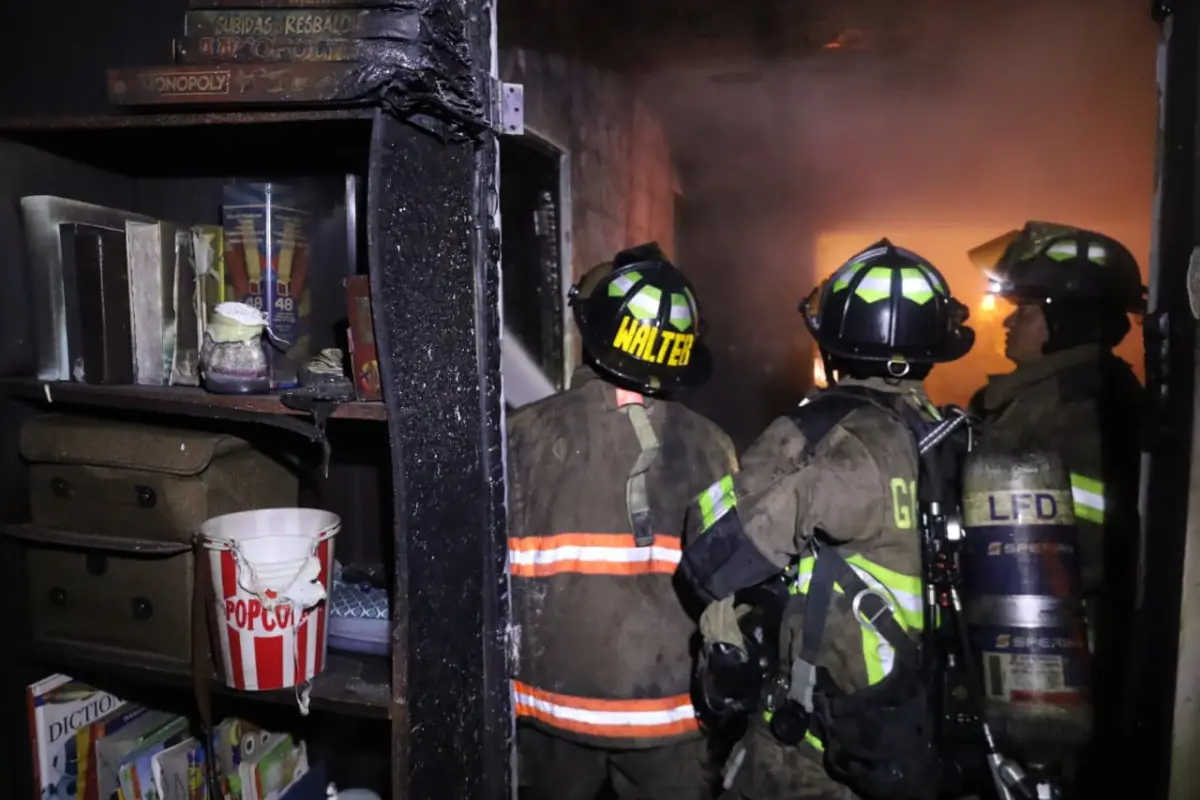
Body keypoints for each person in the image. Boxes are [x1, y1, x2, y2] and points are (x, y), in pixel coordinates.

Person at [678, 238, 975, 800]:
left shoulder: (826, 434)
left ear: (836, 344)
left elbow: (712, 558)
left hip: (821, 752)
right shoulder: (956, 439)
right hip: (936, 740)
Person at [507, 242, 738, 800]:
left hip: (550, 713)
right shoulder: (712, 447)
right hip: (672, 725)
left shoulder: (523, 435)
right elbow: (732, 587)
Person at [966, 221, 1146, 793]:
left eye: (1027, 308)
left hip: (1056, 669)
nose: (1010, 319)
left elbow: (1088, 553)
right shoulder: (1043, 399)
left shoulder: (1077, 407)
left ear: (1064, 320)